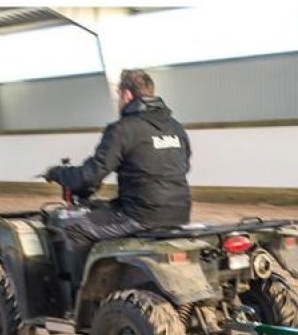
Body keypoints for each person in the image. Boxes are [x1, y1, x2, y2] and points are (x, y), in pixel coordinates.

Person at [45, 68, 192, 242]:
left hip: (139, 216)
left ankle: (87, 271)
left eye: (118, 96)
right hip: (179, 212)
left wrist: (57, 173)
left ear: (127, 95)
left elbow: (90, 176)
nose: (118, 102)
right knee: (99, 207)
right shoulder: (175, 127)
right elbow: (184, 165)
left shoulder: (123, 129)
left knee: (71, 227)